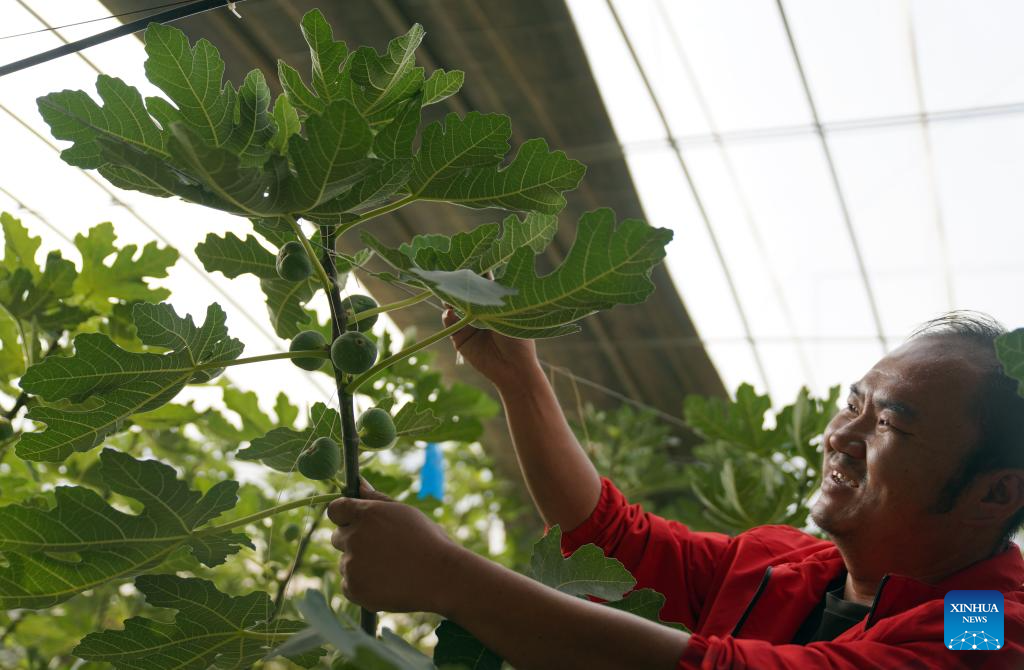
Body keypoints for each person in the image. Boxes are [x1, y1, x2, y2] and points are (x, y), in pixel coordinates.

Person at [328, 311, 1024, 669]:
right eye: (854, 402)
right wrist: (518, 377)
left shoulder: (992, 624)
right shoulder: (785, 566)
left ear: (995, 495)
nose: (843, 434)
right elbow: (614, 539)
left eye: (892, 424)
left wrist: (449, 579)